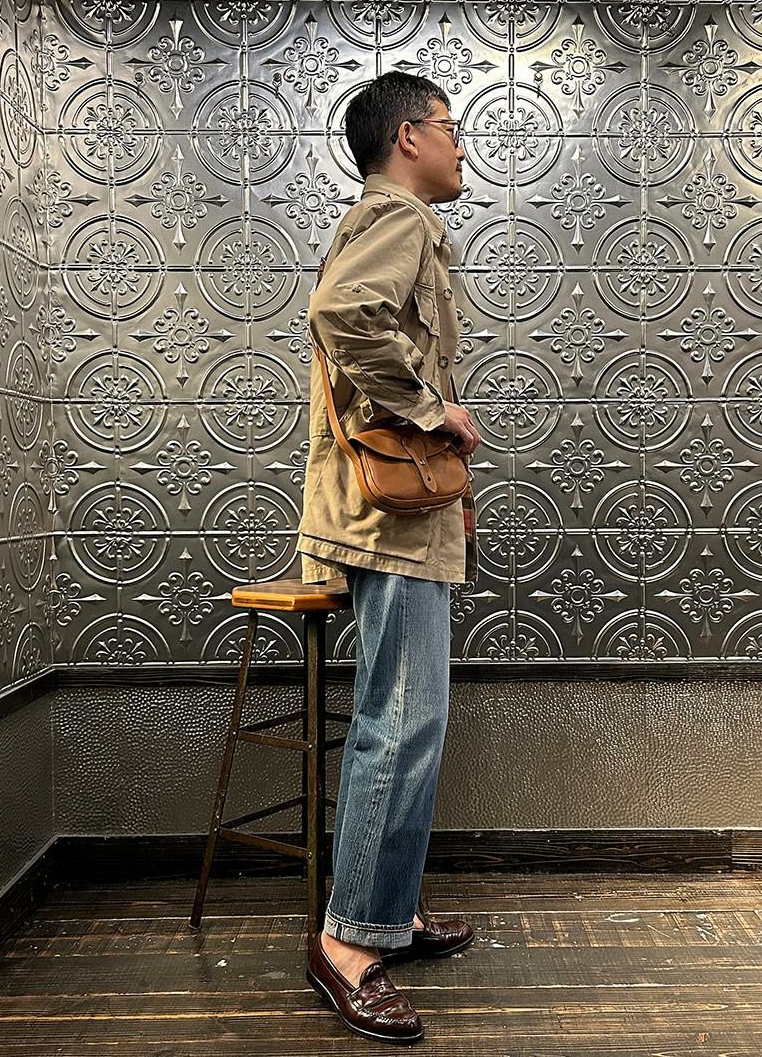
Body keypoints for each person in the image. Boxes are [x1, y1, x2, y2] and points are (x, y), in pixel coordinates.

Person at [296, 70, 481, 1045]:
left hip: (393, 515)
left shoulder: (394, 221)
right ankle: (349, 943)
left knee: (410, 722)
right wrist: (432, 409)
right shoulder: (398, 218)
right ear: (409, 136)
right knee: (399, 725)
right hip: (392, 523)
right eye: (450, 127)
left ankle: (389, 908)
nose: (461, 146)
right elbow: (343, 314)